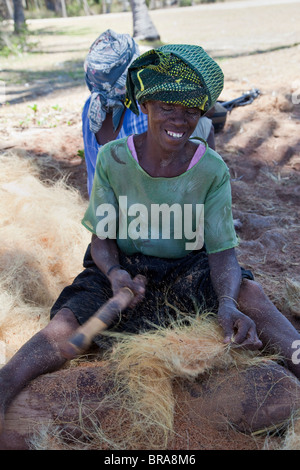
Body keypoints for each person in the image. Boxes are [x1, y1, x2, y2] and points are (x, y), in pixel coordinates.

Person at [1, 43, 300, 434]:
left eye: (191, 110)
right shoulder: (114, 159)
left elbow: (222, 253)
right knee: (65, 326)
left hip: (187, 270)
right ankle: (6, 385)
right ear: (146, 107)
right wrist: (113, 275)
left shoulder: (211, 170)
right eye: (167, 107)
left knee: (252, 297)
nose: (180, 119)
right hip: (122, 269)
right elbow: (103, 240)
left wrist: (227, 302)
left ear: (201, 114)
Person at [82, 29, 215, 197]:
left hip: (102, 206)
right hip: (141, 211)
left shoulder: (90, 106)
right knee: (202, 125)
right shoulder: (140, 111)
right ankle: (210, 195)